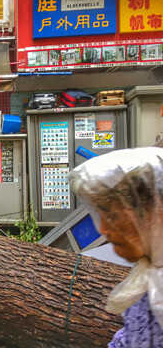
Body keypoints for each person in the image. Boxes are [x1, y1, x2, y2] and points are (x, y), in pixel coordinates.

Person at [69, 147, 163, 347]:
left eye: (112, 216)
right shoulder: (149, 273)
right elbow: (130, 337)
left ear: (155, 213)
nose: (103, 228)